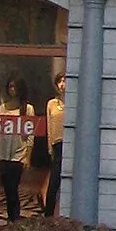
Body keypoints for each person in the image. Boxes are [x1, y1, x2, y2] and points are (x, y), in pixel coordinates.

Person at [0, 79, 31, 223]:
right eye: (10, 86)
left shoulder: (27, 109)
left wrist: (28, 156)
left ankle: (15, 218)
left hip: (18, 154)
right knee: (7, 190)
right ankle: (11, 218)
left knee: (13, 188)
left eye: (15, 86)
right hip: (3, 154)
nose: (12, 89)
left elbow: (30, 135)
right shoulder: (3, 108)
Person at [44, 71, 66, 212]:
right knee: (54, 180)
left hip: (70, 143)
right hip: (57, 144)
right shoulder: (52, 104)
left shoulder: (74, 103)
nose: (62, 85)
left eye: (65, 81)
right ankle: (49, 212)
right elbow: (49, 125)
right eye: (60, 81)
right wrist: (49, 147)